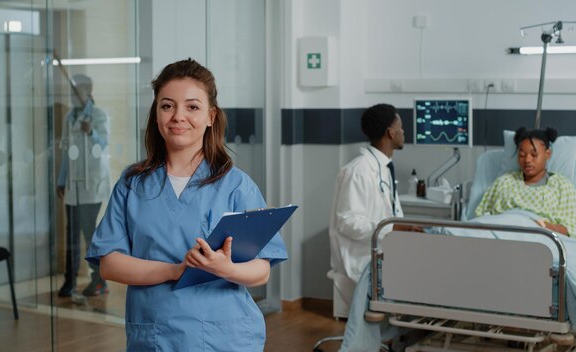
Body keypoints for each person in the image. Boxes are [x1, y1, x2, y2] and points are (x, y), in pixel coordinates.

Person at [86, 58, 287, 351]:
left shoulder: (236, 185)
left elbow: (261, 269)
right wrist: (174, 270)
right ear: (156, 115)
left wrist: (223, 268)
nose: (178, 116)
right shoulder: (132, 184)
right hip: (156, 335)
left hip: (224, 335)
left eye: (192, 107)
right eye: (167, 106)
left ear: (211, 116)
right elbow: (109, 264)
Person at [329, 103, 416, 318]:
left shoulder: (382, 169)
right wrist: (392, 228)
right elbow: (347, 222)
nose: (403, 133)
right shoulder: (358, 171)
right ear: (391, 132)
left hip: (381, 255)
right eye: (401, 128)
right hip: (360, 263)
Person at [57, 74, 111, 297]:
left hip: (92, 185)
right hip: (73, 185)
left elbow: (105, 142)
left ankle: (99, 280)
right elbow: (66, 152)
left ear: (88, 92)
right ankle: (69, 282)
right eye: (72, 92)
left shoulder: (98, 115)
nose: (73, 96)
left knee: (89, 230)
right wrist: (61, 180)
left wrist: (92, 131)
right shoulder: (69, 117)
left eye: (77, 91)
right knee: (71, 233)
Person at [476, 126, 576, 236]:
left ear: (548, 154)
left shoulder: (562, 187)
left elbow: (570, 230)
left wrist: (545, 227)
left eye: (534, 155)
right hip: (500, 230)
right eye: (522, 155)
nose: (527, 160)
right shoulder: (503, 182)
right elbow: (482, 217)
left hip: (537, 234)